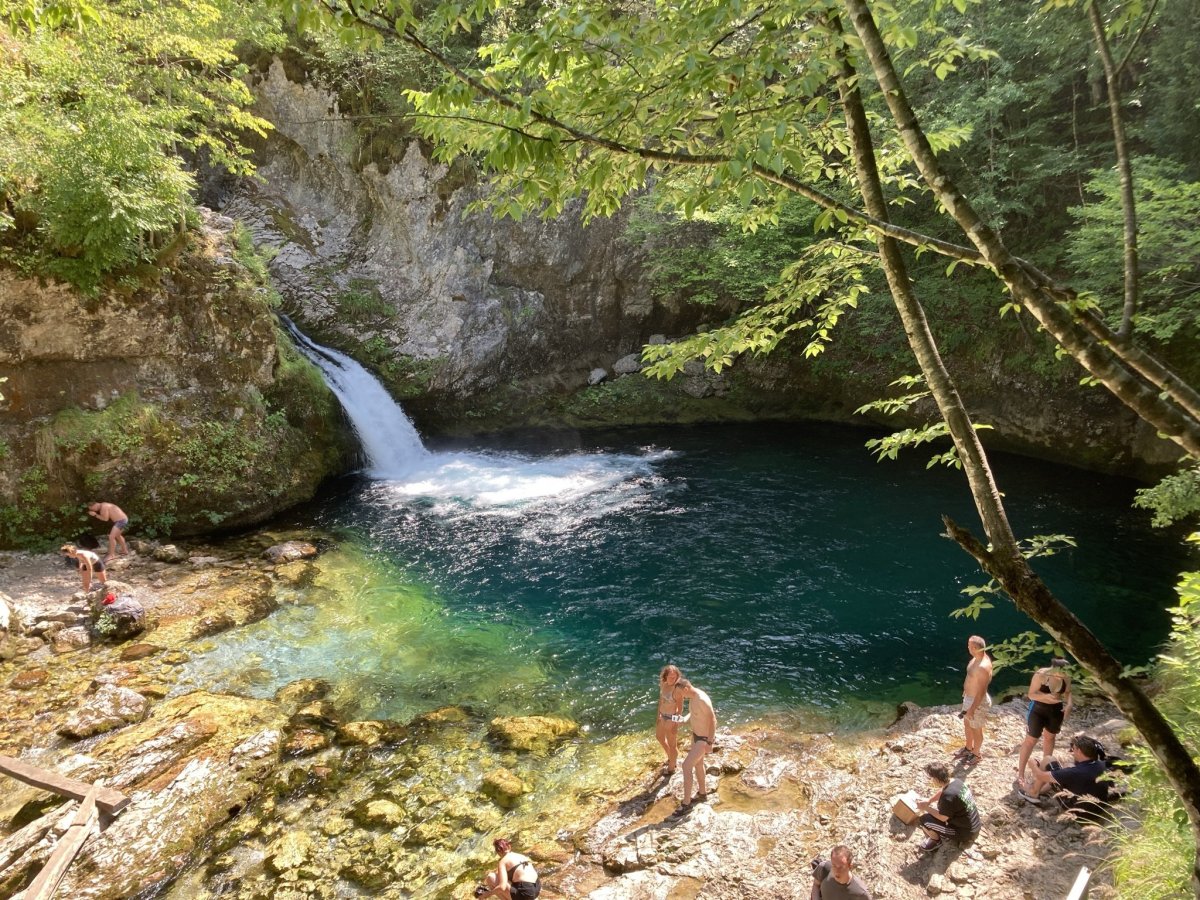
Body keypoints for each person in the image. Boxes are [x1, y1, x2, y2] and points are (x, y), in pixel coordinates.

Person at [1015, 657, 1073, 786]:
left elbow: (1068, 692)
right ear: (1055, 669)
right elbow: (1031, 694)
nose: (1065, 674)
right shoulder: (1041, 675)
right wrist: (1046, 696)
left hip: (1055, 711)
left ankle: (1045, 771)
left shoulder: (1066, 677)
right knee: (1031, 740)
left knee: (1050, 738)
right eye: (1063, 672)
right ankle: (1021, 774)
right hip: (1038, 710)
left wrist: (1069, 704)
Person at [1017, 734, 1108, 803]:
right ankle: (1041, 790)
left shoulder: (1073, 772)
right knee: (1068, 765)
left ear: (1079, 751)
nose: (1072, 752)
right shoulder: (1100, 765)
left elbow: (1039, 775)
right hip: (1098, 808)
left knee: (1048, 760)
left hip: (1076, 809)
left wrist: (1032, 764)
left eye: (1073, 749)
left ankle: (1033, 792)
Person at [916, 762, 981, 852]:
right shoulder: (956, 781)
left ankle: (936, 841)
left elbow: (943, 818)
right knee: (936, 814)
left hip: (965, 833)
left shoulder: (948, 797)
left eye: (932, 778)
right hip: (974, 825)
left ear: (936, 779)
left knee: (924, 820)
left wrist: (926, 808)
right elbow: (943, 791)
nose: (931, 781)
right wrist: (929, 801)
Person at [674, 678, 717, 811]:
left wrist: (710, 742)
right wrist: (684, 720)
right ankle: (702, 793)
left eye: (681, 693)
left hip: (703, 739)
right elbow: (693, 713)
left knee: (686, 766)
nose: (681, 696)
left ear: (686, 689)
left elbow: (713, 720)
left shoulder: (701, 699)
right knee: (698, 764)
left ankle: (686, 803)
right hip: (696, 736)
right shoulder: (693, 697)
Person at [951, 635, 993, 764]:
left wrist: (972, 709)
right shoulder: (976, 659)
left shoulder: (983, 667)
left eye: (969, 646)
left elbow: (981, 692)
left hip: (977, 702)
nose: (967, 647)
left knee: (976, 729)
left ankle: (976, 754)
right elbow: (971, 678)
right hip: (969, 698)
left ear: (974, 648)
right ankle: (968, 748)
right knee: (967, 724)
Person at [475, 838, 540, 899]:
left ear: (498, 852)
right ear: (509, 846)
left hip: (526, 894)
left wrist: (488, 894)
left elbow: (502, 887)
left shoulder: (503, 861)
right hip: (537, 888)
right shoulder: (521, 856)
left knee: (490, 877)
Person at [656, 664, 687, 777]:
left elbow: (680, 709)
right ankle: (671, 756)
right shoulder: (663, 684)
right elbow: (661, 701)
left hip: (671, 718)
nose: (672, 679)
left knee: (672, 744)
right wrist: (658, 716)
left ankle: (672, 767)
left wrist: (675, 724)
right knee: (659, 737)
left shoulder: (677, 690)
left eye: (675, 677)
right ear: (665, 676)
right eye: (670, 677)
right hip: (662, 715)